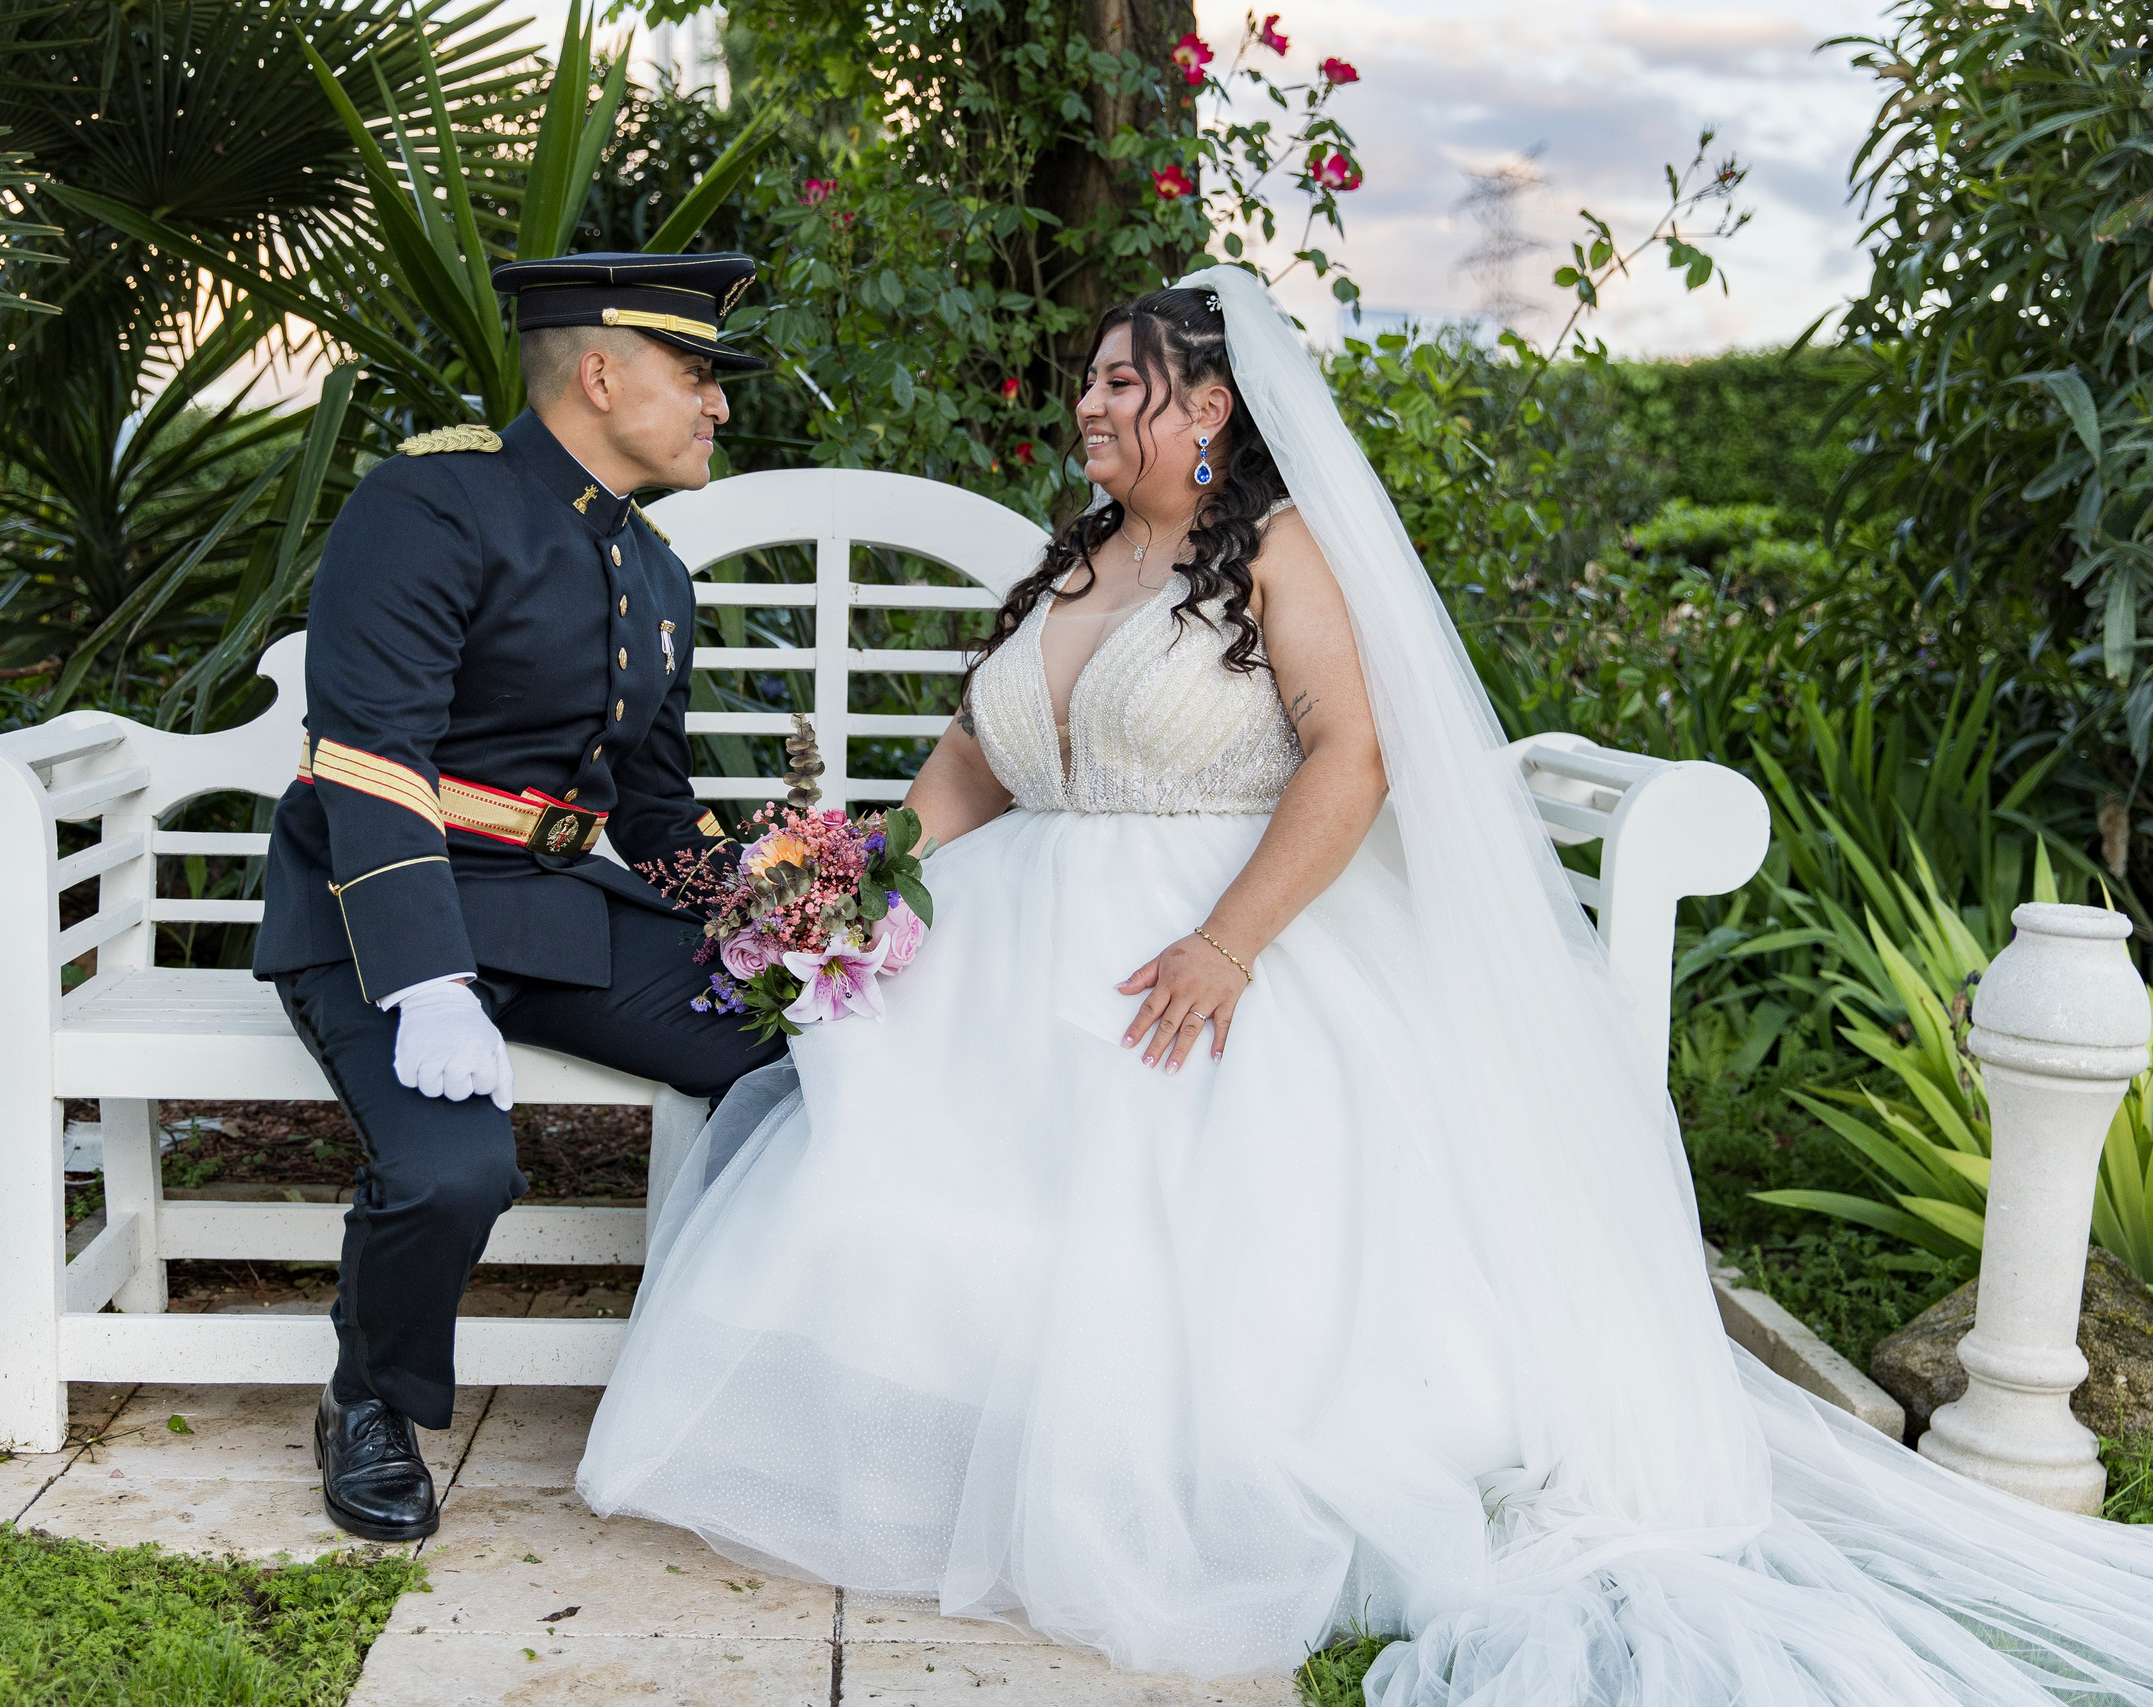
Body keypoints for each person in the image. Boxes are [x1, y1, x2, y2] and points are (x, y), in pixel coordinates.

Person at [575, 267, 2153, 1701]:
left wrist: (1229, 942)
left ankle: (1157, 1480)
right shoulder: (1082, 559)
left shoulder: (1274, 549)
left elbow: (1356, 752)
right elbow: (980, 758)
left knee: (1149, 1185)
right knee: (878, 1136)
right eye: (1092, 381)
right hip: (1002, 937)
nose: (1091, 405)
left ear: (1211, 409)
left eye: (1125, 382)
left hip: (1207, 937)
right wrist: (855, 880)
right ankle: (925, 1461)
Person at [254, 252, 786, 1544]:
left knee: (805, 1042)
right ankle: (367, 1398)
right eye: (696, 375)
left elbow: (654, 816)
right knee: (453, 1170)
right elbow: (371, 755)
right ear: (599, 373)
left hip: (545, 913)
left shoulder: (656, 579)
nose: (719, 406)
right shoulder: (430, 506)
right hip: (379, 911)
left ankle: (753, 1360)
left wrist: (780, 928)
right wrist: (431, 985)